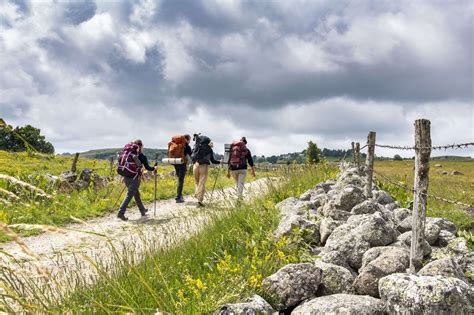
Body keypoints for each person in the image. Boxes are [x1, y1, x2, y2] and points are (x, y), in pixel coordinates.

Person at [117, 139, 157, 221]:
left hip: (126, 177)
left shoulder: (127, 154)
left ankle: (142, 210)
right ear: (141, 146)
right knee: (129, 195)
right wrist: (154, 168)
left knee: (136, 194)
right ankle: (121, 213)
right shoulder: (142, 156)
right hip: (135, 178)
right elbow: (148, 168)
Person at [191, 134, 222, 207]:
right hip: (204, 166)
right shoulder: (209, 149)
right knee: (202, 183)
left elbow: (192, 156)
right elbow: (213, 161)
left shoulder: (196, 147)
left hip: (195, 165)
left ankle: (197, 194)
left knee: (196, 182)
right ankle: (200, 200)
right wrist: (220, 162)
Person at [169, 134, 192, 203]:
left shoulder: (175, 144)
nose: (190, 141)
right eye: (189, 140)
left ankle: (180, 195)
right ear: (186, 139)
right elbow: (191, 155)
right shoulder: (186, 146)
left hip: (175, 163)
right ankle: (178, 197)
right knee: (181, 180)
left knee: (179, 179)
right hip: (182, 163)